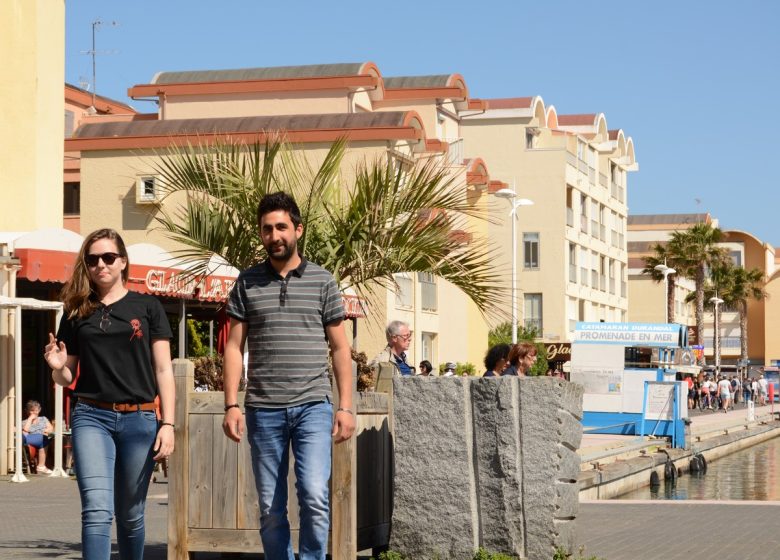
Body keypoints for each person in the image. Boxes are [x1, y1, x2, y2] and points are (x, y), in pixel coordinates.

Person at [221, 192, 355, 560]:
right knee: (269, 506)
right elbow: (234, 347)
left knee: (314, 494)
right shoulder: (246, 283)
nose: (274, 235)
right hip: (263, 410)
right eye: (267, 229)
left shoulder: (323, 281)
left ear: (298, 229)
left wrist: (345, 407)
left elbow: (341, 348)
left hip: (313, 405)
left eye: (282, 227)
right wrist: (231, 402)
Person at [43, 228, 175, 560]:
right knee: (97, 511)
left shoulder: (148, 306)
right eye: (92, 259)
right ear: (86, 266)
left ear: (123, 262)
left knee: (131, 516)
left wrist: (168, 424)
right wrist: (57, 365)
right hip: (91, 416)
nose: (100, 264)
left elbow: (163, 370)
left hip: (140, 418)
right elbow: (67, 376)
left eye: (108, 257)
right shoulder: (75, 311)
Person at [21, 399, 53, 473]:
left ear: (39, 410)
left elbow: (50, 428)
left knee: (48, 439)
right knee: (44, 439)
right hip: (30, 439)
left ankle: (43, 466)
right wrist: (30, 419)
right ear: (27, 411)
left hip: (43, 438)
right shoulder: (24, 422)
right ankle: (41, 466)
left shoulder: (43, 419)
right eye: (31, 410)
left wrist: (45, 431)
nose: (34, 412)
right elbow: (26, 430)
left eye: (36, 410)